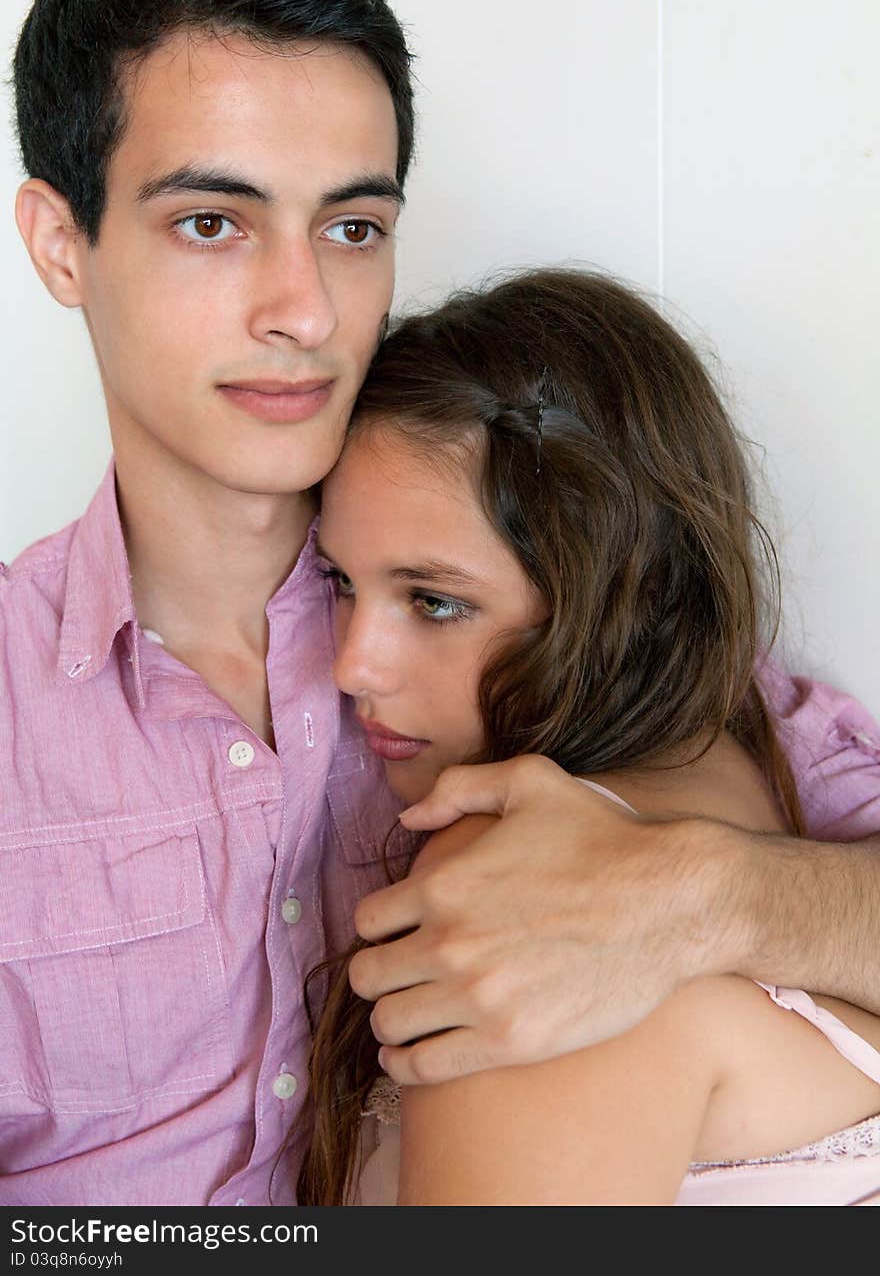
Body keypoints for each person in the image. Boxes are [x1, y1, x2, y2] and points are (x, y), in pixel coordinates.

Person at [1, 0, 877, 1205]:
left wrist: (712, 895)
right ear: (62, 241)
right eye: (212, 223)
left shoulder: (545, 609)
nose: (303, 307)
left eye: (352, 228)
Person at [298, 268, 880, 1204]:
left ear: (623, 599)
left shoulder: (533, 897)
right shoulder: (733, 749)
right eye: (340, 583)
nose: (353, 666)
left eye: (435, 601)